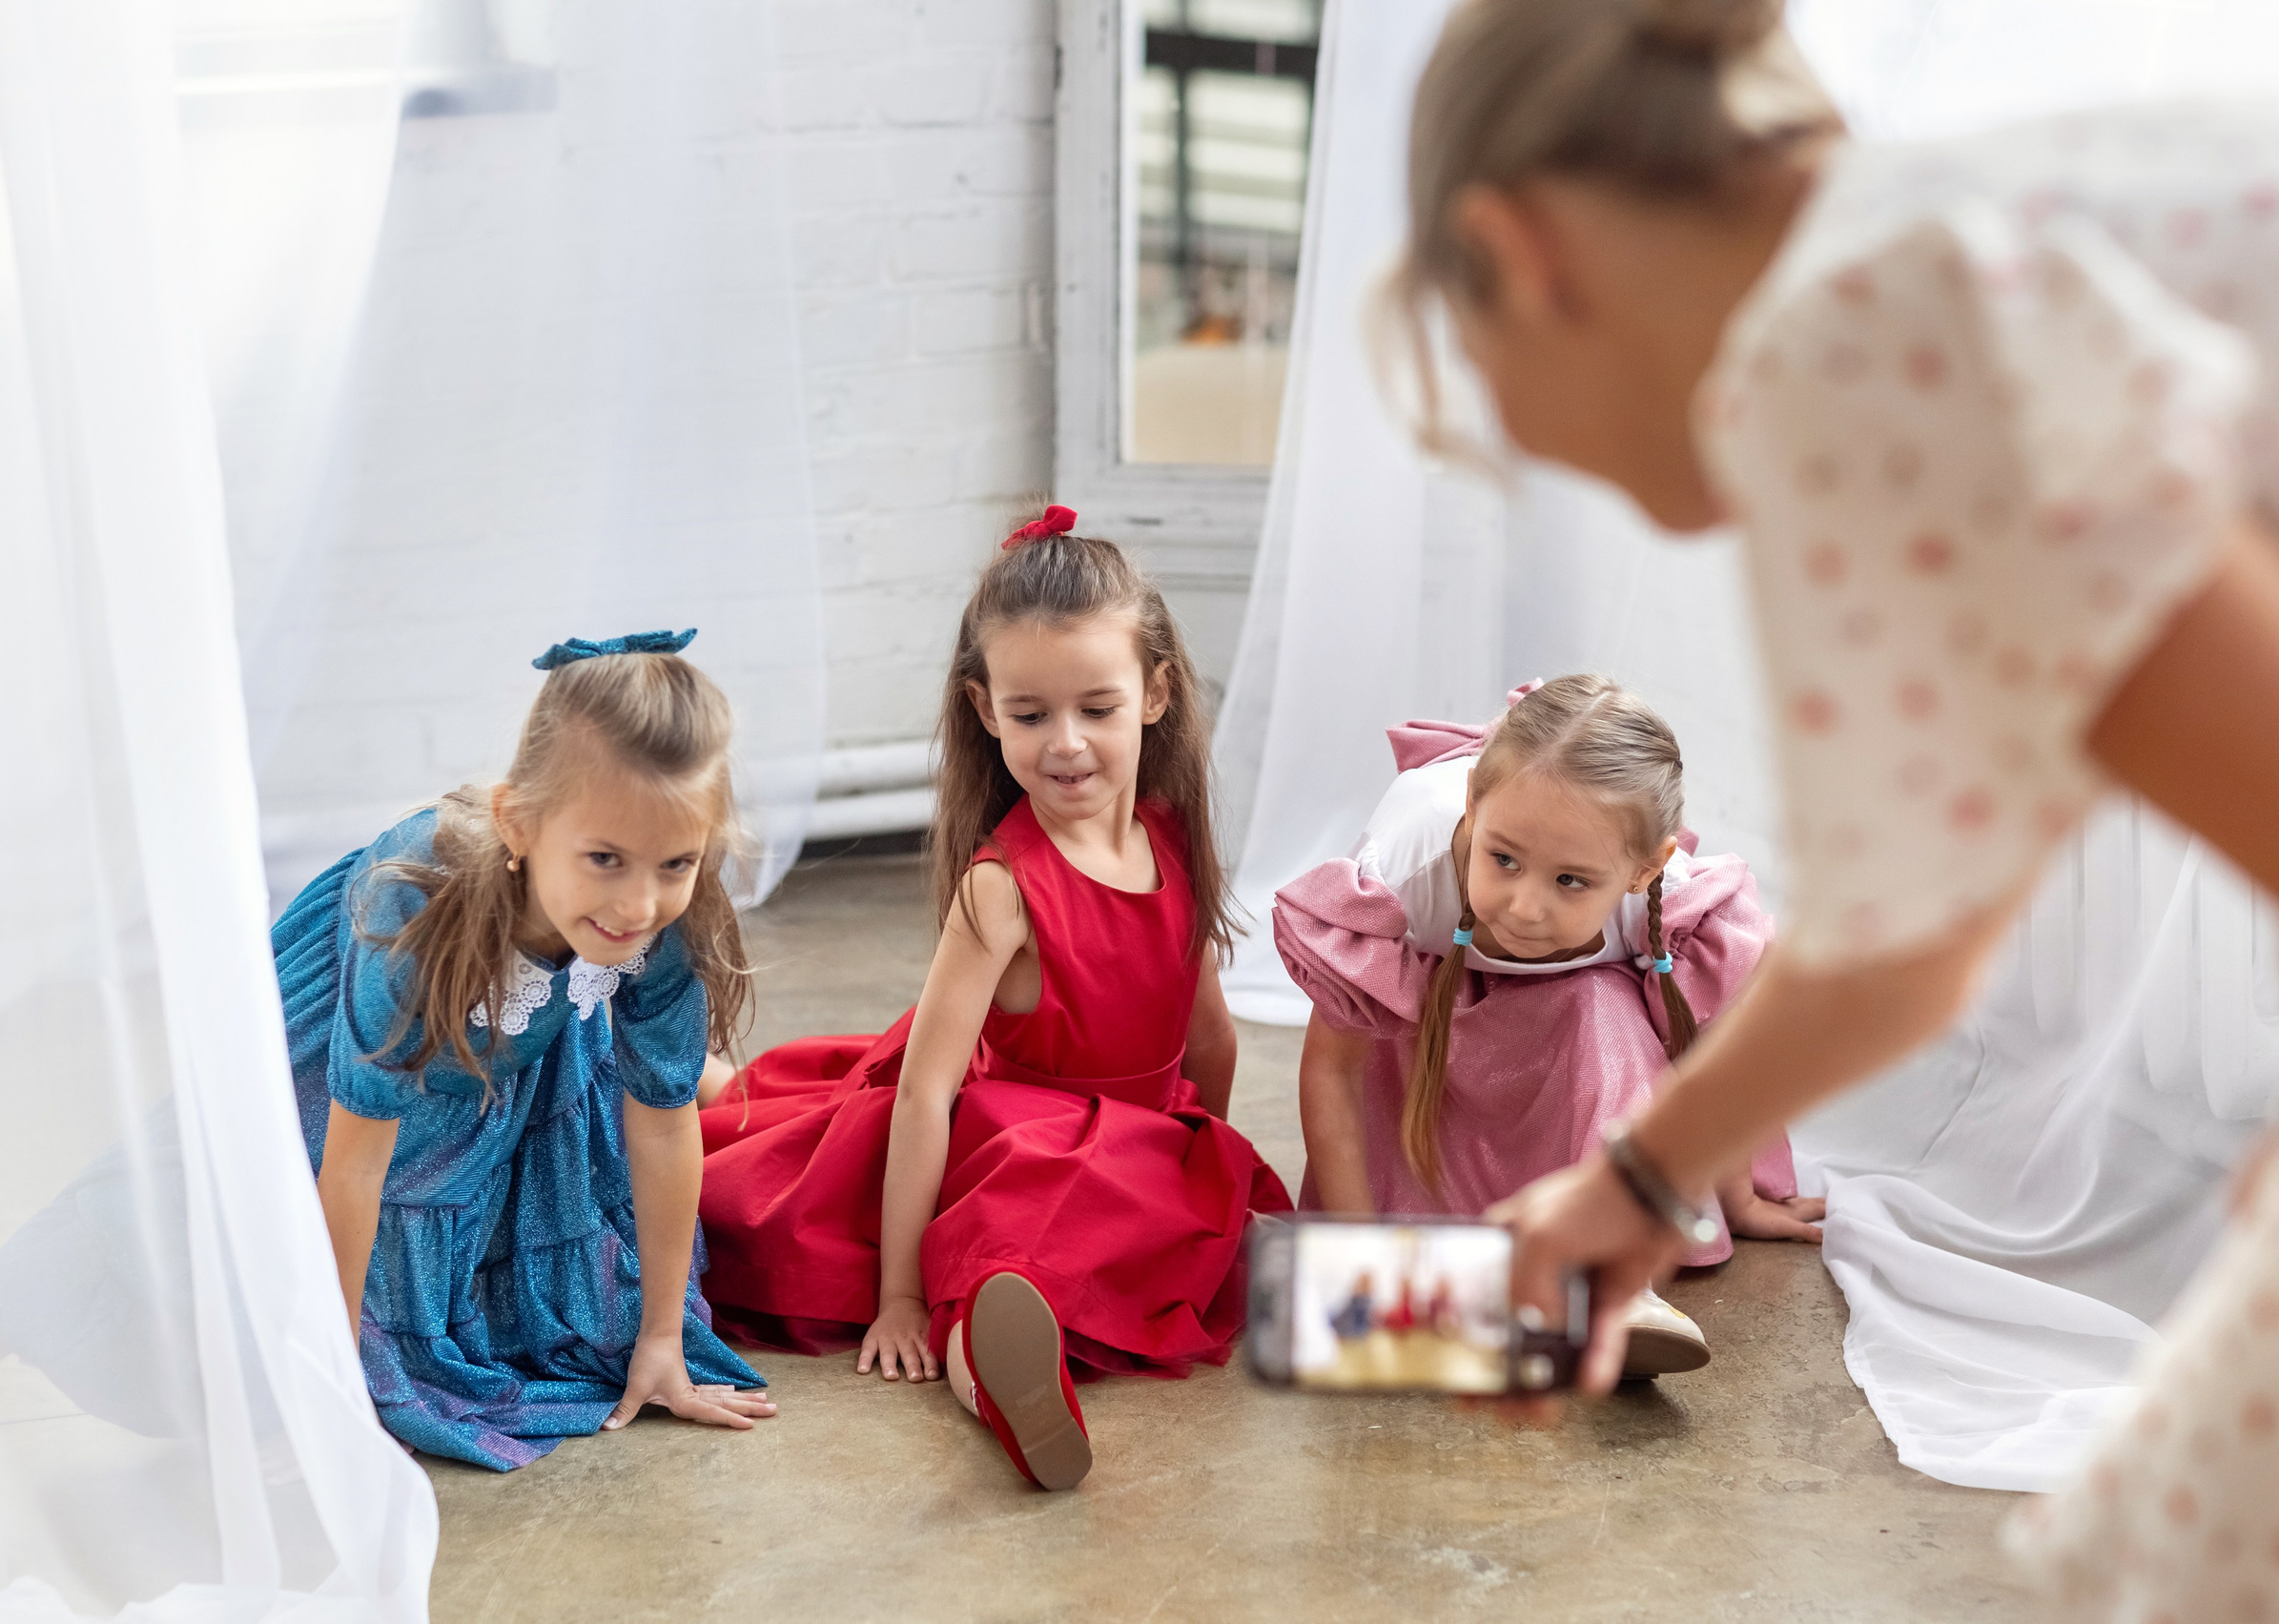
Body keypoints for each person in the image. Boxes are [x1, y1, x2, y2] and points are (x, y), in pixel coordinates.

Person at [1393, 0, 2279, 1612]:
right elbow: (1921, 928)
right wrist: (1645, 1181)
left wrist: (1634, 1178)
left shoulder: (1852, 327)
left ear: (1515, 254)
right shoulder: (1936, 239)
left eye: (1476, 366)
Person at [697, 506, 1293, 1491]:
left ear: (1155, 693)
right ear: (984, 709)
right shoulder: (1001, 886)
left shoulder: (1172, 836)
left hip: (1135, 1136)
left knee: (1218, 1240)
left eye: (1096, 708)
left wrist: (1197, 1174)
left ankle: (1532, 1317)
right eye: (1030, 714)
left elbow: (1211, 1038)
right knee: (987, 1233)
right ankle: (1001, 1367)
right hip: (1010, 1135)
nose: (1065, 745)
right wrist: (894, 1295)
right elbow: (928, 1094)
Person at [278, 629, 775, 1469]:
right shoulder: (408, 905)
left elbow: (659, 1120)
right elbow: (355, 1163)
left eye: (675, 861)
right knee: (367, 1315)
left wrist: (662, 1335)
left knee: (591, 1314)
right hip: (366, 1069)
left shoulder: (660, 916)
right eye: (605, 858)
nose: (640, 900)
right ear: (518, 822)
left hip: (527, 1049)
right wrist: (331, 1378)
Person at [1273, 676, 1820, 1377]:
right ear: (1473, 803)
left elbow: (1711, 1050)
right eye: (1503, 859)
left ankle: (1613, 1284)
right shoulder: (1405, 869)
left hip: (1576, 1044)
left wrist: (1735, 1195)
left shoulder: (1671, 899)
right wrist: (1359, 1255)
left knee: (1603, 1012)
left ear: (1641, 869)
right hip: (1433, 1035)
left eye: (1570, 881)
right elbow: (1335, 1069)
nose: (1527, 907)